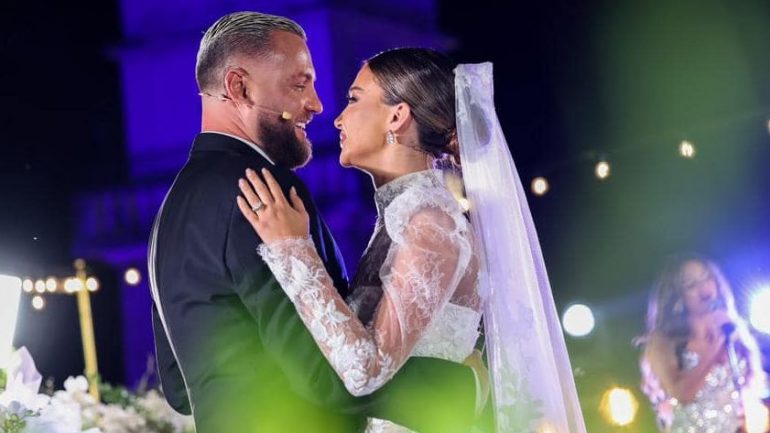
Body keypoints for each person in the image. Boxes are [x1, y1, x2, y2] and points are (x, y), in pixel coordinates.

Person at [148, 12, 477, 433]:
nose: (320, 106)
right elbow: (326, 375)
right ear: (239, 87)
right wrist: (461, 386)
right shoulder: (264, 191)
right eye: (299, 84)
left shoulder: (170, 209)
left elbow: (179, 388)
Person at [237, 48, 587, 433]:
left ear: (397, 116)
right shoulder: (403, 217)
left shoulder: (432, 225)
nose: (337, 118)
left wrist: (292, 248)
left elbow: (366, 370)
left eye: (354, 99)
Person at [638, 254, 769, 433]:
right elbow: (682, 394)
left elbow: (752, 388)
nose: (704, 288)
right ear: (678, 296)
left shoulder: (731, 329)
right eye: (691, 284)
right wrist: (715, 345)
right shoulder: (663, 341)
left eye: (707, 277)